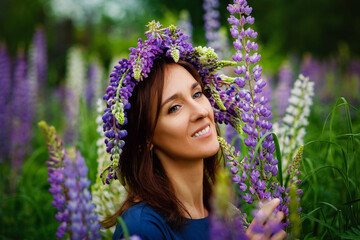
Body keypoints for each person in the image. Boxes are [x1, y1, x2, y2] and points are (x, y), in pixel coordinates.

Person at [101, 22, 286, 240]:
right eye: (174, 108)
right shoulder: (141, 227)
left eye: (197, 94)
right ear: (146, 138)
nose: (200, 111)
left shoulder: (225, 214)